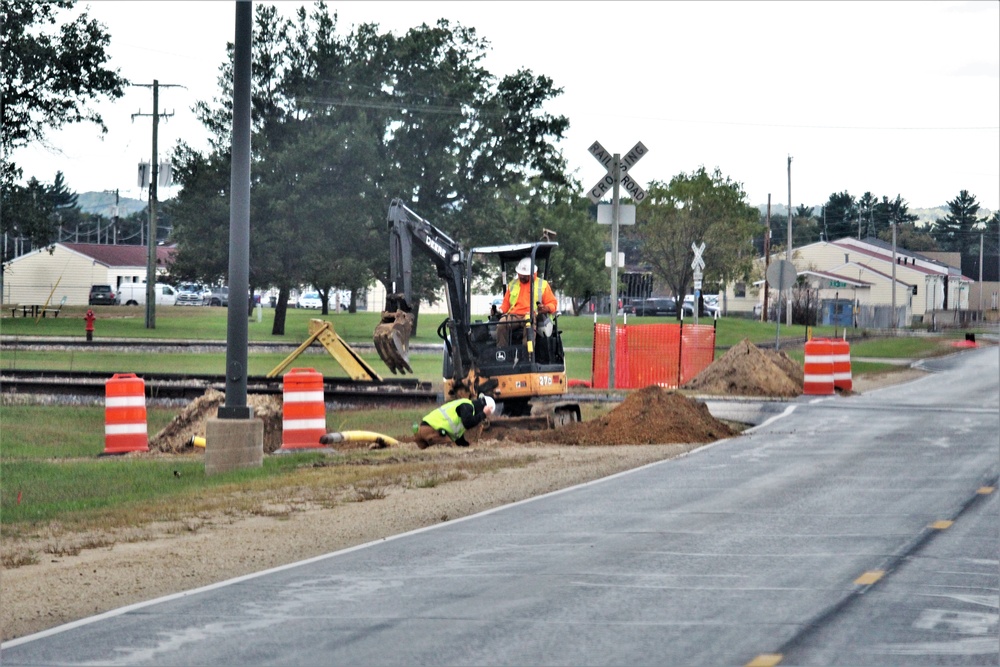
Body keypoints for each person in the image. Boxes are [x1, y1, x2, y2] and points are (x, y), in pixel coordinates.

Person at [496, 257, 558, 347]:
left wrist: (546, 308)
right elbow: (505, 305)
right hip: (514, 315)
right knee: (501, 324)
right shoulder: (512, 284)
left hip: (531, 315)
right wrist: (499, 310)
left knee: (529, 325)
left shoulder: (543, 285)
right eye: (520, 274)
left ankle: (527, 355)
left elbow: (553, 303)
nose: (521, 276)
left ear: (532, 274)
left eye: (524, 275)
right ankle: (502, 354)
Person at [413, 395, 496, 449]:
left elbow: (458, 439)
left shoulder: (465, 406)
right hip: (432, 431)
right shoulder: (467, 405)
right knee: (449, 451)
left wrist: (467, 446)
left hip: (422, 429)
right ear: (484, 407)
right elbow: (468, 423)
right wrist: (484, 414)